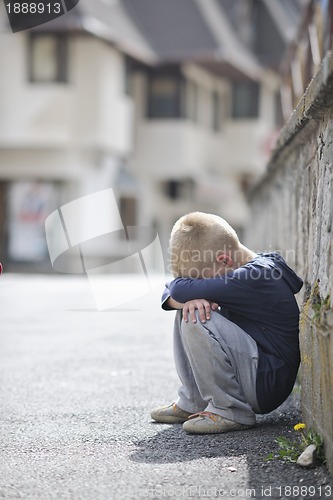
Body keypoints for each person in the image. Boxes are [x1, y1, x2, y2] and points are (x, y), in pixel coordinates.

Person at [151, 212, 303, 434]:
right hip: (255, 367)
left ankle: (230, 410)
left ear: (224, 260)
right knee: (190, 306)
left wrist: (187, 296)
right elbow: (173, 291)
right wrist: (188, 298)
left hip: (266, 383)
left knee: (195, 315)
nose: (198, 284)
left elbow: (177, 289)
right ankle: (194, 401)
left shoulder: (254, 277)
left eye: (200, 280)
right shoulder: (249, 266)